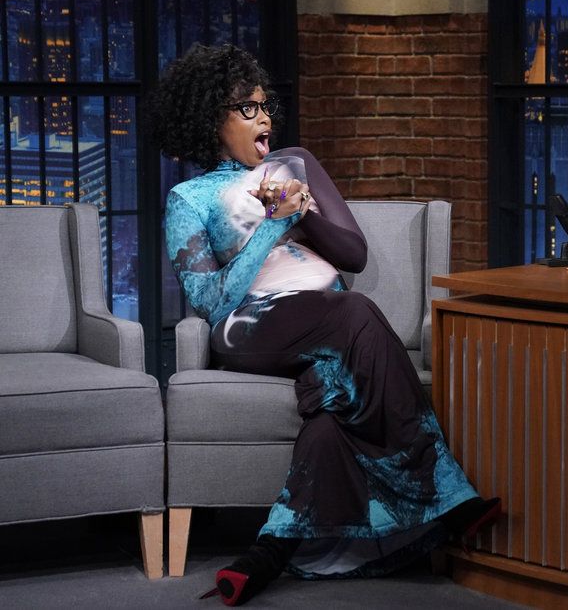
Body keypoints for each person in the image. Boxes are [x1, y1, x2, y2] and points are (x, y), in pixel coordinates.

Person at [147, 44, 499, 606]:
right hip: (248, 325)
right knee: (357, 311)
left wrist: (303, 210)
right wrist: (271, 224)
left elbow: (353, 254)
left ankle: (268, 554)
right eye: (246, 108)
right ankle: (442, 491)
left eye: (265, 105)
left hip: (323, 324)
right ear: (212, 119)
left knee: (331, 406)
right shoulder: (189, 198)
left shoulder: (296, 164)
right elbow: (210, 300)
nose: (263, 117)